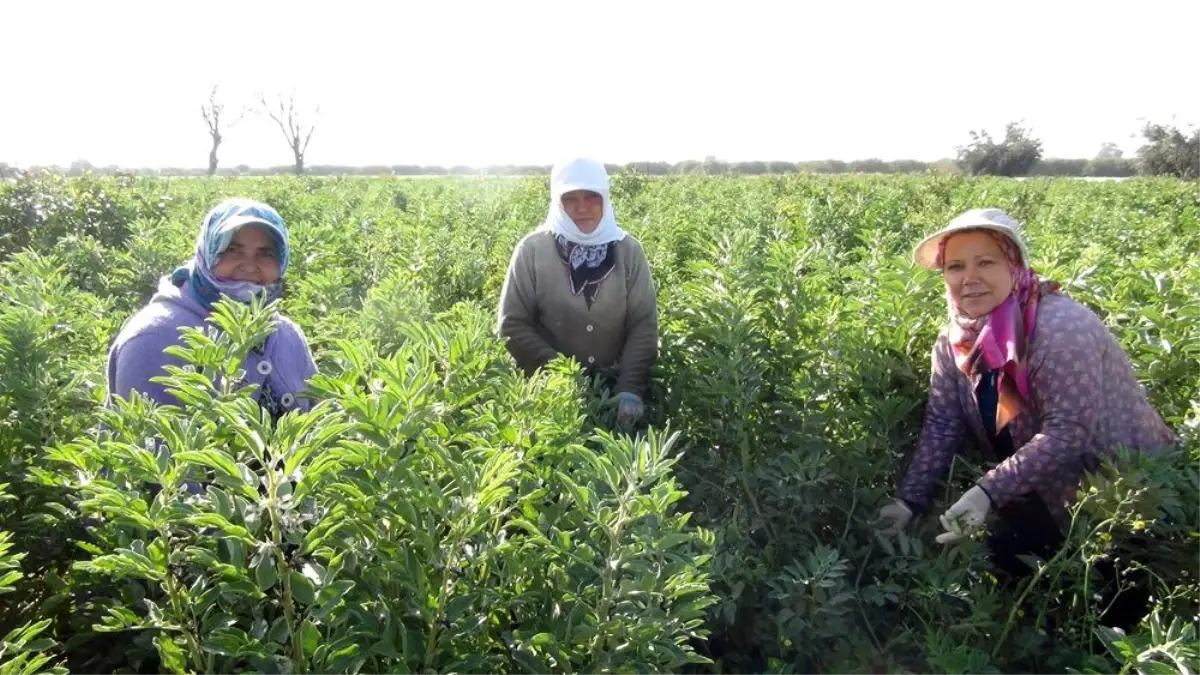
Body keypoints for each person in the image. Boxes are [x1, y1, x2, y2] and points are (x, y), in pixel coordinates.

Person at [876, 208, 1175, 630]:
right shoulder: (954, 340)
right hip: (1032, 488)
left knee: (1116, 620)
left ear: (1014, 264)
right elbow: (944, 423)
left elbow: (1068, 432)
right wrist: (909, 500)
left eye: (986, 262)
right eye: (956, 266)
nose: (969, 277)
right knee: (1041, 610)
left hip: (1118, 488)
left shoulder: (1060, 328)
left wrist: (985, 494)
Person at [107, 198, 318, 421]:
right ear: (207, 252)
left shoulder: (287, 335)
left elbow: (319, 421)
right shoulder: (154, 335)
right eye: (232, 250)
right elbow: (148, 443)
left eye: (265, 253)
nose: (249, 265)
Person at [497, 157, 658, 428]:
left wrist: (629, 387)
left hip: (614, 395)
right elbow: (512, 325)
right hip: (548, 398)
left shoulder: (628, 250)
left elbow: (643, 324)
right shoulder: (533, 250)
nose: (582, 207)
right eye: (570, 198)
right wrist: (567, 378)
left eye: (591, 197)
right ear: (557, 201)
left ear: (605, 200)